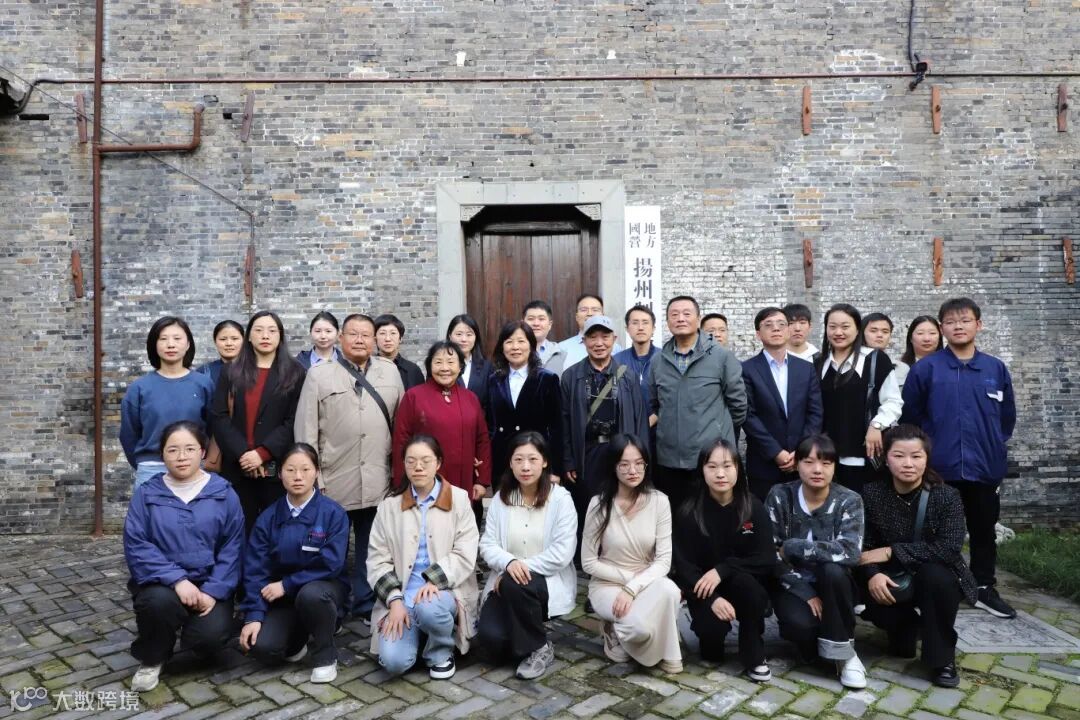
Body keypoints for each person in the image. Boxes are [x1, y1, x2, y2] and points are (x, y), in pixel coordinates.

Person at [901, 297, 1017, 619]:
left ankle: (983, 587)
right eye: (951, 322)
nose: (958, 327)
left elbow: (1006, 419)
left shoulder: (994, 368)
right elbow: (910, 419)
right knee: (933, 533)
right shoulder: (927, 369)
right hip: (940, 468)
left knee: (983, 530)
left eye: (965, 321)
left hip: (984, 467)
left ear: (978, 325)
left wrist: (992, 445)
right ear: (942, 328)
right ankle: (936, 588)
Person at [294, 313, 405, 621]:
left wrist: (399, 472)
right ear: (341, 338)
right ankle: (335, 607)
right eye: (353, 334)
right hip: (334, 478)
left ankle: (366, 603)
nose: (359, 340)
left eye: (366, 335)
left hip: (378, 477)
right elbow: (306, 430)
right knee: (334, 550)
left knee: (372, 547)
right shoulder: (319, 375)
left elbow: (402, 424)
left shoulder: (389, 371)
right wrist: (313, 476)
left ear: (374, 340)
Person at [123, 421, 245, 692]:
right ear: (162, 454)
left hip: (209, 584)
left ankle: (196, 632)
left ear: (203, 452)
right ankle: (153, 657)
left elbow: (232, 547)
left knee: (209, 639)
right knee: (155, 603)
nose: (181, 457)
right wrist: (177, 580)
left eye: (190, 449)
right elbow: (137, 545)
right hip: (164, 584)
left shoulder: (223, 493)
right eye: (173, 450)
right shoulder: (147, 494)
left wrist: (213, 591)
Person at [859, 425, 976, 688]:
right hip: (892, 577)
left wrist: (892, 551)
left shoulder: (946, 496)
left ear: (926, 459)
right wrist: (873, 574)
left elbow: (949, 548)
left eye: (916, 456)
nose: (908, 464)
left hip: (934, 574)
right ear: (886, 459)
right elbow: (864, 546)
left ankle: (942, 659)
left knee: (937, 577)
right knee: (898, 643)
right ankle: (908, 626)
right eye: (899, 456)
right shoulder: (872, 493)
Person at [367, 435, 480, 679]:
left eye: (425, 461)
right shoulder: (389, 506)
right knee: (394, 662)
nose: (418, 467)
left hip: (444, 593)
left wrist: (434, 581)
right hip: (403, 597)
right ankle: (419, 636)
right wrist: (395, 601)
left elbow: (465, 552)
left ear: (438, 463)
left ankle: (440, 651)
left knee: (428, 607)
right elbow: (377, 560)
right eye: (411, 461)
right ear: (404, 465)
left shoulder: (459, 499)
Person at [238, 443, 350, 683]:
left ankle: (325, 656)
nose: (298, 476)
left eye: (305, 469)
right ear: (279, 474)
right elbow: (255, 570)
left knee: (312, 595)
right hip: (282, 598)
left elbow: (331, 563)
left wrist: (287, 584)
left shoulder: (333, 513)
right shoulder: (268, 518)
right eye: (290, 470)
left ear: (316, 472)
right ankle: (298, 638)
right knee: (264, 648)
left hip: (323, 589)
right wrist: (254, 615)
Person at [766, 434, 867, 689]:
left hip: (835, 585)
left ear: (834, 466)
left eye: (826, 463)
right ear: (796, 464)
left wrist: (793, 546)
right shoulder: (780, 495)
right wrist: (804, 590)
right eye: (809, 462)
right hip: (793, 584)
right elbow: (770, 552)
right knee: (802, 629)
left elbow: (850, 552)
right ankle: (812, 643)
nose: (817, 469)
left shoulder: (849, 500)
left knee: (833, 570)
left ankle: (846, 656)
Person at [672, 439, 776, 682]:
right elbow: (684, 567)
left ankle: (753, 651)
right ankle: (710, 636)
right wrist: (712, 598)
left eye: (727, 466)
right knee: (712, 649)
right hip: (704, 589)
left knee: (750, 588)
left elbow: (766, 558)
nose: (720, 474)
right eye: (712, 467)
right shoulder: (688, 512)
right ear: (702, 470)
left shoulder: (753, 507)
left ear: (738, 469)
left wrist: (723, 570)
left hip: (742, 583)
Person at [476, 432, 577, 680]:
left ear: (544, 461)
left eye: (533, 459)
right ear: (510, 463)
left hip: (545, 580)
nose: (525, 467)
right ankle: (522, 632)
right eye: (518, 459)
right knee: (491, 643)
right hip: (505, 580)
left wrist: (517, 567)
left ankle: (539, 647)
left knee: (515, 583)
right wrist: (508, 563)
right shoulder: (501, 498)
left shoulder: (560, 499)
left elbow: (561, 553)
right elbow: (487, 544)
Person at [582, 434, 683, 674]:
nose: (632, 470)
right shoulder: (599, 504)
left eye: (639, 463)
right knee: (639, 630)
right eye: (624, 464)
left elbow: (663, 561)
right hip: (608, 584)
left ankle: (670, 653)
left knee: (671, 590)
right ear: (613, 466)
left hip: (645, 581)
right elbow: (588, 562)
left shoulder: (660, 502)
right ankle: (612, 628)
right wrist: (628, 581)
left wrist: (634, 587)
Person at [561, 315, 648, 560]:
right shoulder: (571, 376)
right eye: (592, 337)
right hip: (587, 452)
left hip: (619, 452)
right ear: (584, 341)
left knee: (619, 504)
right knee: (588, 507)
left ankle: (617, 555)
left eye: (605, 337)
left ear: (614, 339)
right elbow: (564, 422)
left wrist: (640, 458)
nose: (599, 343)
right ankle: (587, 559)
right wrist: (567, 460)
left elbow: (640, 420)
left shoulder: (628, 376)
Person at [649, 295, 748, 510]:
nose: (680, 318)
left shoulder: (721, 357)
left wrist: (718, 430)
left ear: (698, 318)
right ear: (667, 321)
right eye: (674, 314)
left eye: (687, 313)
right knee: (675, 517)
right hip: (670, 459)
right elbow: (654, 404)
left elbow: (738, 406)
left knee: (711, 515)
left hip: (712, 458)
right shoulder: (658, 361)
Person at [212, 311, 306, 533]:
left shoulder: (295, 372)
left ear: (280, 336)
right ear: (249, 336)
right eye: (259, 330)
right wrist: (245, 454)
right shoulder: (231, 371)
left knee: (275, 530)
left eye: (272, 331)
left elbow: (294, 419)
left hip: (276, 467)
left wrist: (262, 454)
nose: (265, 336)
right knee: (239, 529)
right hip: (238, 465)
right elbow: (219, 415)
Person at [392, 341, 492, 512]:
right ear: (429, 366)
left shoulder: (470, 398)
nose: (445, 368)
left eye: (451, 362)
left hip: (465, 481)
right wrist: (402, 484)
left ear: (460, 367)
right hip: (424, 482)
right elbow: (401, 441)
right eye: (438, 362)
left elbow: (482, 439)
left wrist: (482, 480)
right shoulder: (414, 397)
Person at [813, 303, 902, 494]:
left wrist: (876, 425)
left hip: (865, 454)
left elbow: (893, 401)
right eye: (832, 326)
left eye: (845, 326)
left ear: (857, 329)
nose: (838, 332)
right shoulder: (818, 363)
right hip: (826, 455)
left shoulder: (876, 360)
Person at [120, 316, 215, 488]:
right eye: (163, 339)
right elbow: (129, 433)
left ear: (188, 344)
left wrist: (199, 458)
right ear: (154, 345)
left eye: (177, 338)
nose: (170, 344)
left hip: (193, 468)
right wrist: (144, 462)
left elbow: (213, 427)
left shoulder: (203, 384)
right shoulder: (140, 387)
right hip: (151, 469)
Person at [742, 307, 823, 499]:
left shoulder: (806, 368)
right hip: (763, 463)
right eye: (768, 325)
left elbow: (815, 412)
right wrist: (776, 452)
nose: (776, 329)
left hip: (802, 462)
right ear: (758, 334)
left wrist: (801, 451)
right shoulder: (746, 369)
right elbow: (747, 415)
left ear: (787, 330)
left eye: (781, 324)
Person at [486, 321, 562, 485]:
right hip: (503, 462)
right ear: (502, 347)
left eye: (521, 341)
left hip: (536, 460)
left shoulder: (547, 379)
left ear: (531, 346)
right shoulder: (494, 380)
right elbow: (490, 425)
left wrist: (555, 469)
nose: (515, 347)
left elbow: (557, 428)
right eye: (509, 342)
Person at [613, 304, 660, 415]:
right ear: (627, 329)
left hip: (659, 424)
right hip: (626, 423)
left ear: (653, 328)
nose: (640, 327)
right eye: (635, 323)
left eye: (645, 322)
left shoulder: (664, 358)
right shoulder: (617, 360)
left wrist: (648, 422)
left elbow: (670, 399)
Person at [557, 293, 624, 369]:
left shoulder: (616, 349)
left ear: (603, 315)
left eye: (595, 310)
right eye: (584, 310)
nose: (589, 314)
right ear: (576, 317)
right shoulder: (562, 348)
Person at [447, 313, 492, 412]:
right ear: (450, 336)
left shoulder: (487, 367)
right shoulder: (440, 367)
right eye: (459, 334)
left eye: (469, 334)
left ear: (476, 337)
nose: (464, 339)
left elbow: (490, 403)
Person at [374, 313, 425, 390]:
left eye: (393, 333)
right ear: (375, 338)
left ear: (400, 338)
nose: (388, 339)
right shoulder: (367, 368)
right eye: (382, 333)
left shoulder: (413, 370)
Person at [892, 315, 943, 388]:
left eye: (932, 333)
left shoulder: (950, 367)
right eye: (920, 333)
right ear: (910, 338)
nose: (926, 339)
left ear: (940, 337)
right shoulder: (899, 370)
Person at [195, 319, 244, 390]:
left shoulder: (255, 369)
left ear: (243, 341)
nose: (229, 343)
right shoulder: (203, 373)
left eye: (234, 339)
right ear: (215, 341)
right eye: (223, 339)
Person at [523, 300, 567, 377]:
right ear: (523, 323)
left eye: (541, 319)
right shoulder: (513, 351)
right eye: (531, 319)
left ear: (550, 324)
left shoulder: (561, 354)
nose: (536, 323)